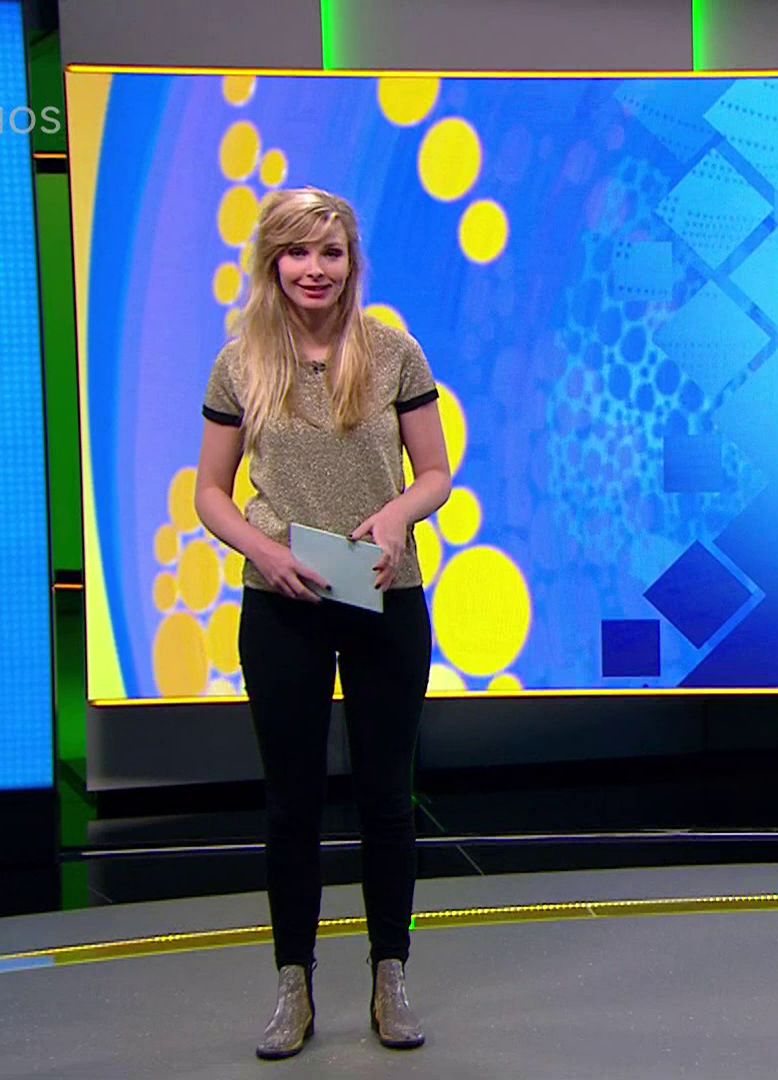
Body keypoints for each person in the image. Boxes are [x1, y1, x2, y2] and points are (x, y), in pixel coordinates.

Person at [193, 187, 450, 1058]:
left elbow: (435, 473)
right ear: (273, 262)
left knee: (386, 797)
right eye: (298, 252)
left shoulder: (394, 354)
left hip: (383, 594)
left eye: (330, 252)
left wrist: (398, 516)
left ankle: (390, 976)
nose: (315, 269)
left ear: (351, 262)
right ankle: (292, 985)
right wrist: (265, 554)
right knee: (292, 802)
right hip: (283, 603)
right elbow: (210, 494)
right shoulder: (240, 365)